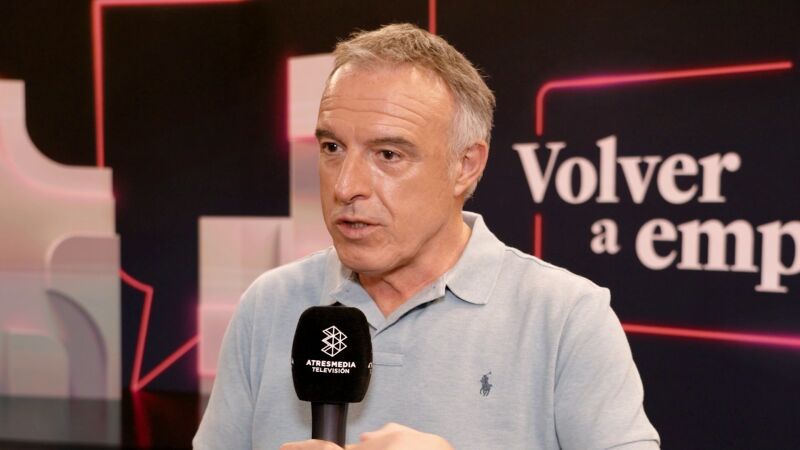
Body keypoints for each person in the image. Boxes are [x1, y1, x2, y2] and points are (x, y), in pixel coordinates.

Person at [194, 23, 660, 449]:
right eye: (332, 147)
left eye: (388, 154)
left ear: (466, 166)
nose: (345, 186)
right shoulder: (269, 304)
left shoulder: (566, 318)